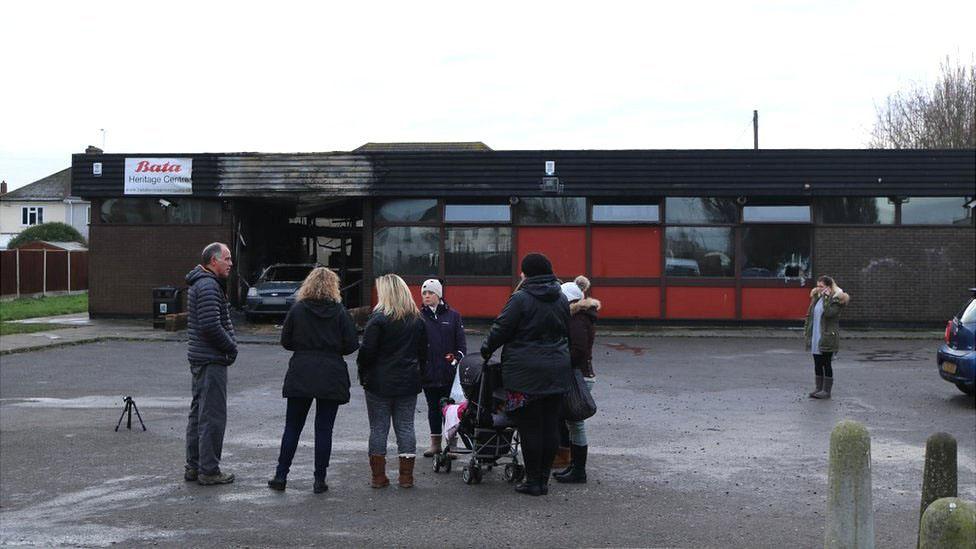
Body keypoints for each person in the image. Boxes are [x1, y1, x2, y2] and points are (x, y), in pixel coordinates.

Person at [481, 253, 572, 496]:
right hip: (557, 370)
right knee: (550, 425)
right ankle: (543, 479)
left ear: (526, 273)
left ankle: (533, 482)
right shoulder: (561, 298)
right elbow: (567, 332)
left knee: (530, 427)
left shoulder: (520, 299)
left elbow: (501, 328)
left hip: (526, 373)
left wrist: (486, 349)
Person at [268, 267, 359, 493]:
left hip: (302, 371)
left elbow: (286, 341)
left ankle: (281, 475)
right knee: (324, 429)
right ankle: (320, 479)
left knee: (292, 427)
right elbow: (351, 345)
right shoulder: (339, 311)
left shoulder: (298, 310)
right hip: (330, 373)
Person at [357, 274, 428, 488]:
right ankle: (406, 476)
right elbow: (423, 352)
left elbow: (367, 352)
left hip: (379, 382)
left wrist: (365, 373)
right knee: (406, 427)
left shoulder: (378, 319)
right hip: (408, 381)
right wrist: (419, 374)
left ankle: (378, 477)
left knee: (378, 428)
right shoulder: (417, 320)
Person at [185, 242, 237, 486]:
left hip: (201, 357)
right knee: (212, 416)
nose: (230, 263)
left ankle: (195, 467)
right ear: (213, 261)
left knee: (199, 415)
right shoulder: (207, 286)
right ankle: (209, 470)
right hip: (211, 358)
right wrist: (231, 346)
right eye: (226, 259)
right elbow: (210, 326)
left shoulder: (203, 283)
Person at [553, 276, 600, 484]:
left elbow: (578, 350)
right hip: (581, 373)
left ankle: (578, 470)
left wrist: (561, 361)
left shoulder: (577, 319)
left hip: (578, 374)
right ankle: (574, 466)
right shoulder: (582, 317)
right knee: (574, 422)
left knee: (576, 422)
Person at [418, 279, 466, 458]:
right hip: (428, 372)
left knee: (450, 409)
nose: (427, 296)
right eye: (424, 293)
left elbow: (461, 345)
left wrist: (455, 360)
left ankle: (452, 444)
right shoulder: (418, 317)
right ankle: (435, 444)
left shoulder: (453, 316)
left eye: (430, 293)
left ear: (438, 295)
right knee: (433, 408)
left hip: (448, 373)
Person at [804, 275, 850, 399]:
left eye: (821, 286)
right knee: (817, 363)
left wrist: (826, 297)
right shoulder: (817, 298)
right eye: (817, 286)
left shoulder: (836, 300)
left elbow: (829, 313)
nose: (819, 288)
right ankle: (818, 388)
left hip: (828, 336)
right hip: (816, 336)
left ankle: (826, 391)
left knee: (826, 363)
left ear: (829, 287)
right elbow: (811, 316)